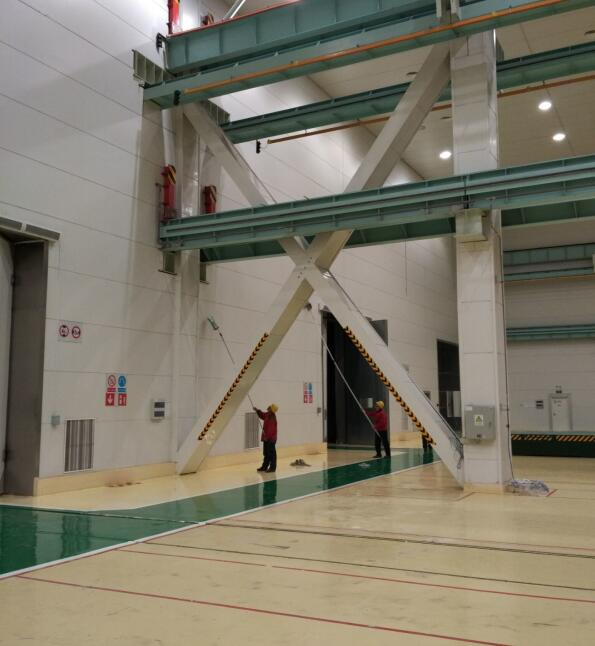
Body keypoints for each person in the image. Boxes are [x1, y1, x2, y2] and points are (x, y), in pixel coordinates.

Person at [254, 404, 278, 473]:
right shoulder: (268, 414)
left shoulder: (272, 417)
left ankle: (272, 468)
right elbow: (262, 415)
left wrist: (267, 437)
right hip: (267, 438)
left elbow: (271, 430)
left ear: (271, 409)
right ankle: (264, 467)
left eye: (270, 407)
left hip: (271, 439)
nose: (268, 407)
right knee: (266, 453)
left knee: (271, 454)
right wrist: (257, 411)